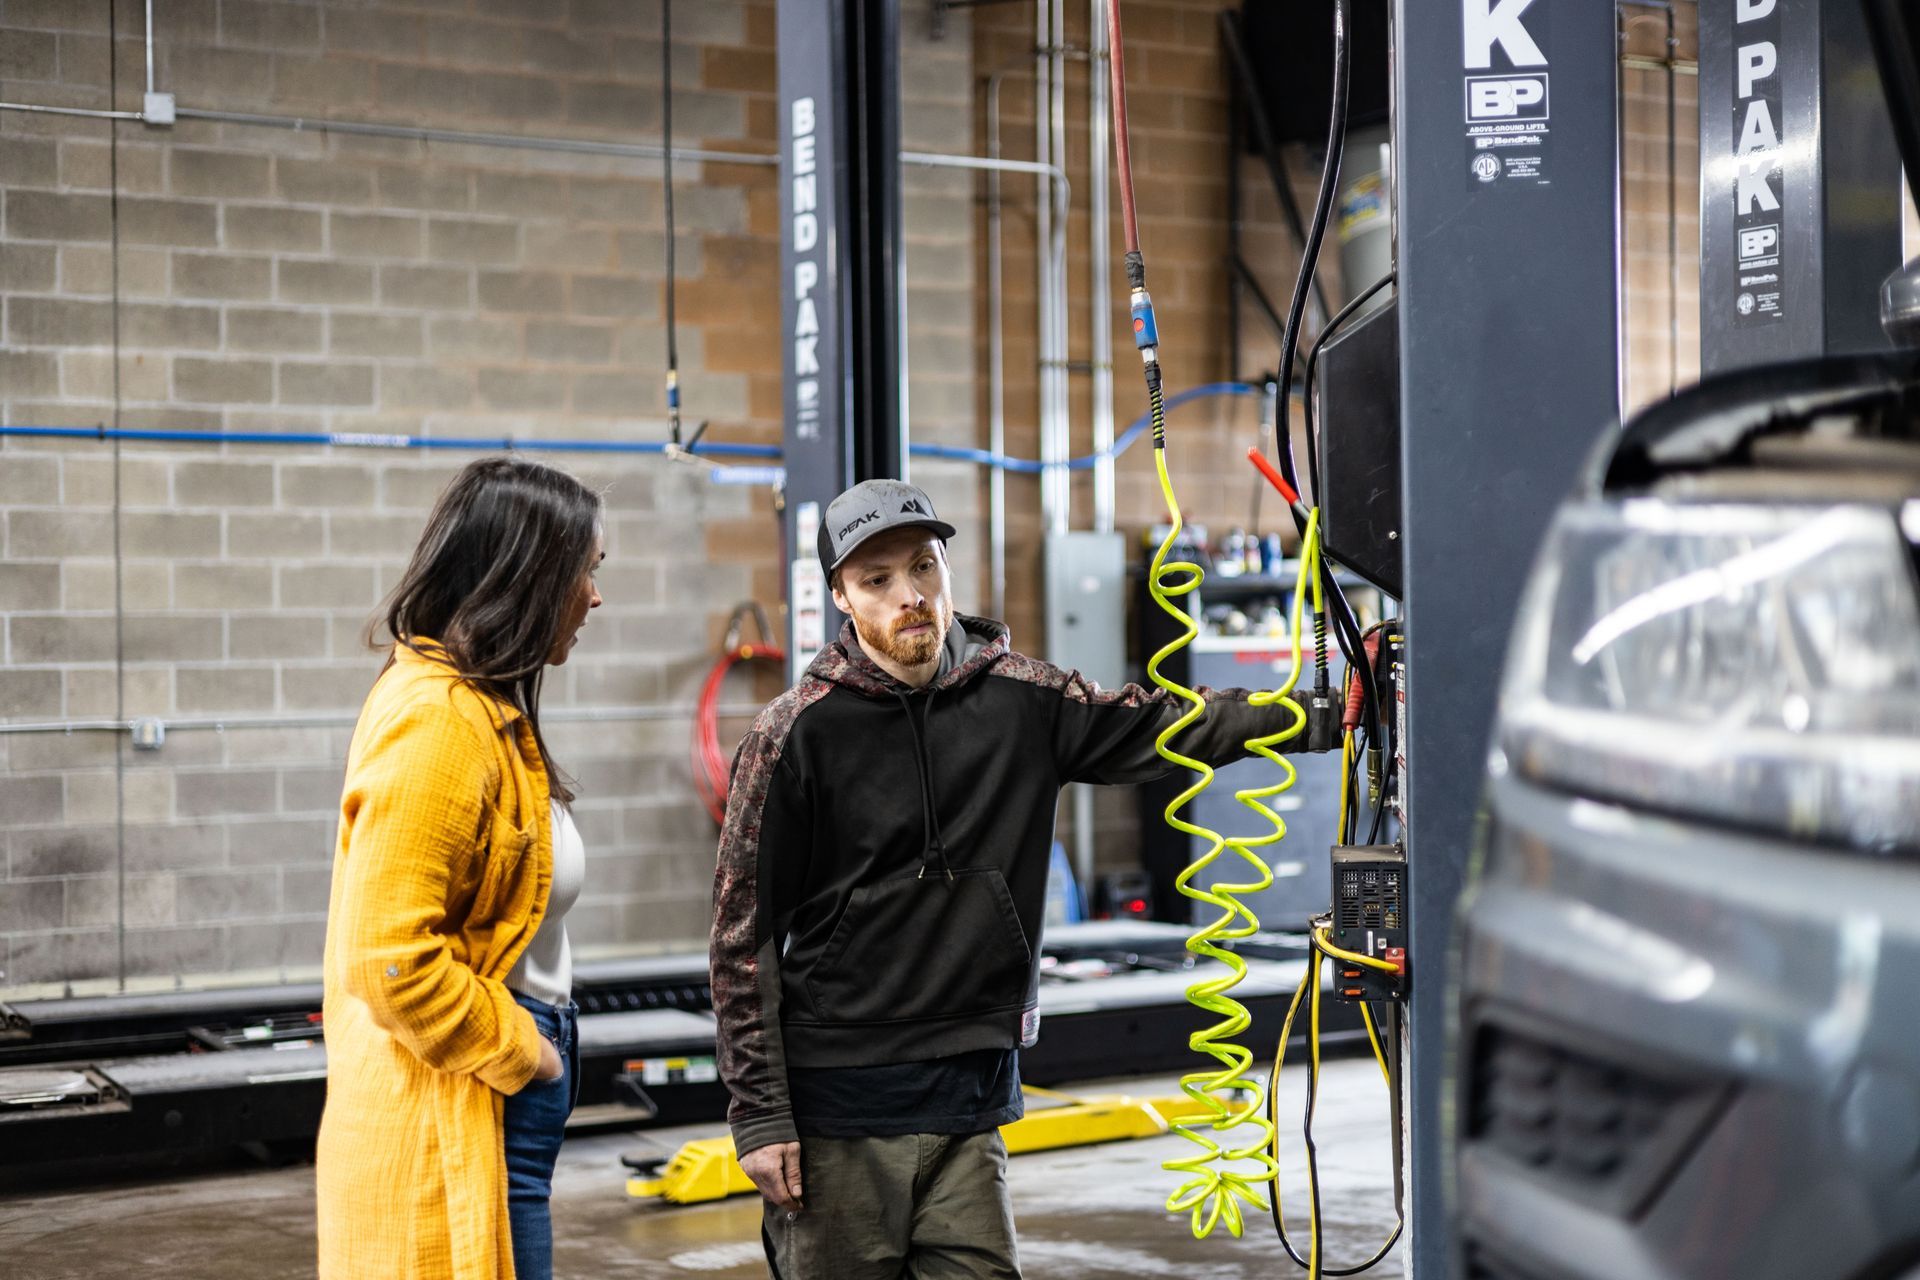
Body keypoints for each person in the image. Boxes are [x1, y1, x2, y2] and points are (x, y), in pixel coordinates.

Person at [709, 478, 1331, 1279]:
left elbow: (1165, 722)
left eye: (924, 567)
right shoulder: (794, 736)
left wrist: (1318, 714)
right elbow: (741, 938)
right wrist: (760, 1115)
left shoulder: (1022, 702)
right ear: (841, 597)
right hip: (841, 1113)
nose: (911, 597)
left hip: (973, 1102)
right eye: (878, 580)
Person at [315, 456, 604, 1280]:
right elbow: (389, 959)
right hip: (475, 1091)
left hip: (498, 1092)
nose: (594, 596)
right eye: (585, 570)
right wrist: (530, 1056)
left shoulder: (478, 704)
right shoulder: (441, 721)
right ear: (528, 575)